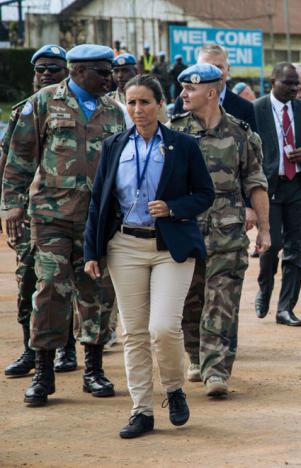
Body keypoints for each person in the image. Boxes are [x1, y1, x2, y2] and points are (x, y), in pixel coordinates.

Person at [83, 74, 215, 438]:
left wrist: (172, 207)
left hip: (169, 246)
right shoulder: (114, 146)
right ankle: (141, 409)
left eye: (144, 102)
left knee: (163, 327)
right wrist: (92, 250)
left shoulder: (183, 145)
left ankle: (173, 389)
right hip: (123, 247)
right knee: (135, 333)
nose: (138, 109)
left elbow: (205, 194)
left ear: (159, 105)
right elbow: (99, 202)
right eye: (132, 103)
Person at [2, 44, 126, 406]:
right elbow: (20, 156)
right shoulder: (42, 102)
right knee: (51, 289)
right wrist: (12, 206)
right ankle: (43, 374)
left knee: (96, 292)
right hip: (51, 216)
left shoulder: (112, 111)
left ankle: (94, 371)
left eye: (111, 72)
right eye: (103, 72)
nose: (110, 78)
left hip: (96, 220)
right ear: (79, 71)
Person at [171, 64, 271, 397]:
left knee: (222, 301)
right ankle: (196, 356)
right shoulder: (172, 132)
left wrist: (265, 230)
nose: (183, 94)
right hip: (184, 230)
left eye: (190, 89)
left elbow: (255, 182)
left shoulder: (241, 134)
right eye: (183, 88)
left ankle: (217, 370)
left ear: (211, 92)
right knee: (190, 299)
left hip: (227, 233)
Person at [2, 44, 71, 378]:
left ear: (67, 73)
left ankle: (68, 349)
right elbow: (8, 163)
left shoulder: (79, 111)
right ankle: (30, 350)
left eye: (54, 69)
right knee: (29, 280)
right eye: (41, 69)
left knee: (68, 282)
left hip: (67, 212)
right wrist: (7, 206)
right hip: (31, 216)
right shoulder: (22, 112)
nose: (46, 74)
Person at [252, 63, 301, 327]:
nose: (294, 88)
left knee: (295, 248)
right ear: (273, 81)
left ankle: (286, 308)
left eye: (297, 84)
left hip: (297, 186)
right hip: (269, 187)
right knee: (273, 244)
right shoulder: (257, 109)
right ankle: (264, 289)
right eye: (288, 83)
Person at [171, 44, 258, 230]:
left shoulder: (245, 108)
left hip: (228, 213)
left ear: (228, 69)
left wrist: (250, 206)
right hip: (191, 207)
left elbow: (252, 166)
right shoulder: (183, 102)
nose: (211, 71)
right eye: (205, 66)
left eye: (218, 67)